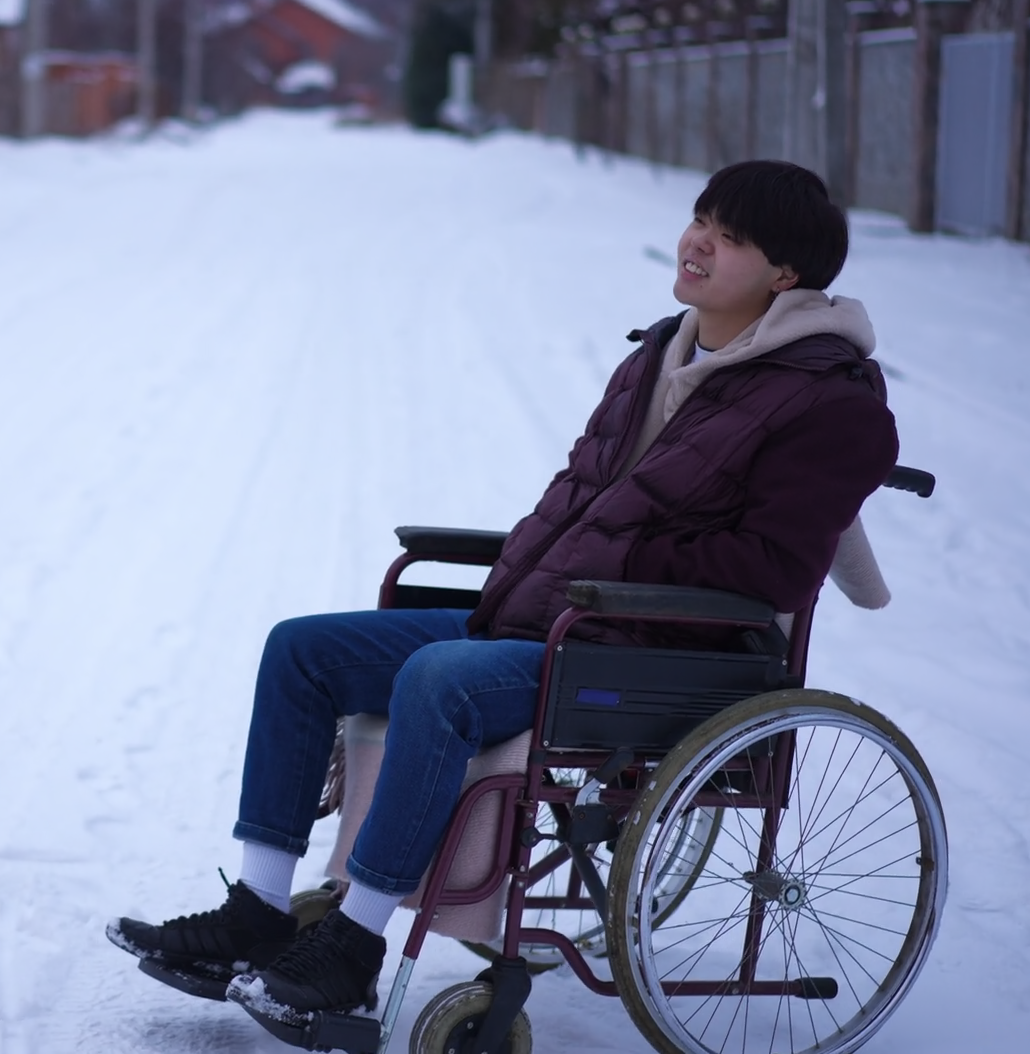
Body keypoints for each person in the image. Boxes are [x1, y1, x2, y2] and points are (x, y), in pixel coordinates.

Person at [107, 161, 898, 1026]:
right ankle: (258, 914)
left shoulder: (831, 402)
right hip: (556, 620)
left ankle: (353, 944)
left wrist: (617, 558)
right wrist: (540, 567)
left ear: (785, 275)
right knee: (304, 650)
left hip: (658, 653)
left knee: (440, 678)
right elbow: (579, 495)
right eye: (700, 220)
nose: (697, 243)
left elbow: (773, 570)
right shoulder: (655, 356)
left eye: (730, 237)